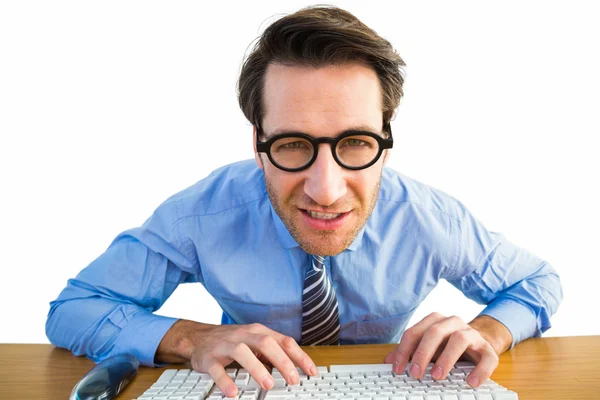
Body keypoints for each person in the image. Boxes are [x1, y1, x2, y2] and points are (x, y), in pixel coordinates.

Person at [46, 5, 562, 398]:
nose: (327, 190)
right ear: (258, 144)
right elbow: (75, 309)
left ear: (386, 141)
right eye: (293, 145)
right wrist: (190, 339)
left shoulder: (431, 220)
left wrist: (486, 333)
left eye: (356, 143)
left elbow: (538, 283)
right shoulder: (201, 215)